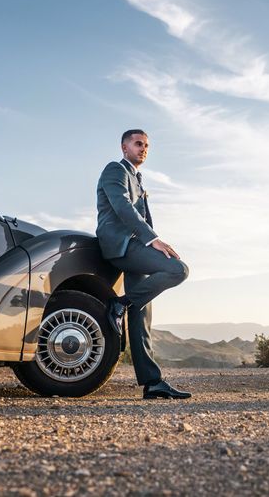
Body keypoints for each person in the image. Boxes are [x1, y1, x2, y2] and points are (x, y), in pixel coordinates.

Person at [96, 129, 192, 399]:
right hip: (122, 245)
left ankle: (153, 383)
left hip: (135, 245)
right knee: (177, 269)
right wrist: (153, 240)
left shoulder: (138, 178)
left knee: (142, 315)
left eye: (147, 145)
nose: (143, 149)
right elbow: (122, 207)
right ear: (124, 147)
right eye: (138, 144)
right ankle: (120, 303)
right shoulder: (115, 170)